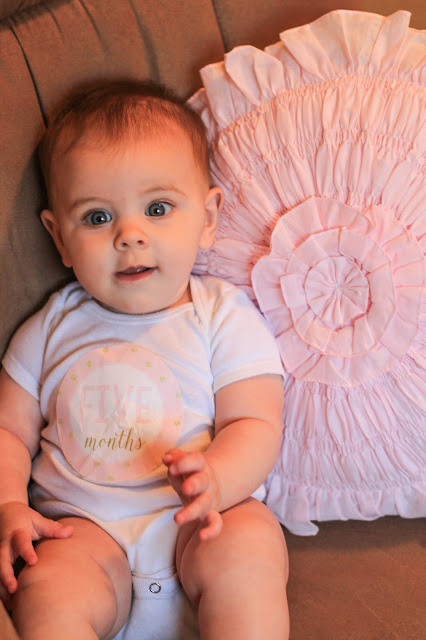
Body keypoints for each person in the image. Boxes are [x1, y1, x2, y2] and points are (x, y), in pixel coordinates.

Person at [0, 80, 289, 640]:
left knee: (250, 540)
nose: (130, 236)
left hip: (200, 525)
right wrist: (10, 502)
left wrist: (218, 477)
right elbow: (9, 430)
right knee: (46, 586)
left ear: (208, 218)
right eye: (96, 217)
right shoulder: (49, 328)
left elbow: (256, 422)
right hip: (82, 533)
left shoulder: (221, 316)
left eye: (158, 208)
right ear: (59, 237)